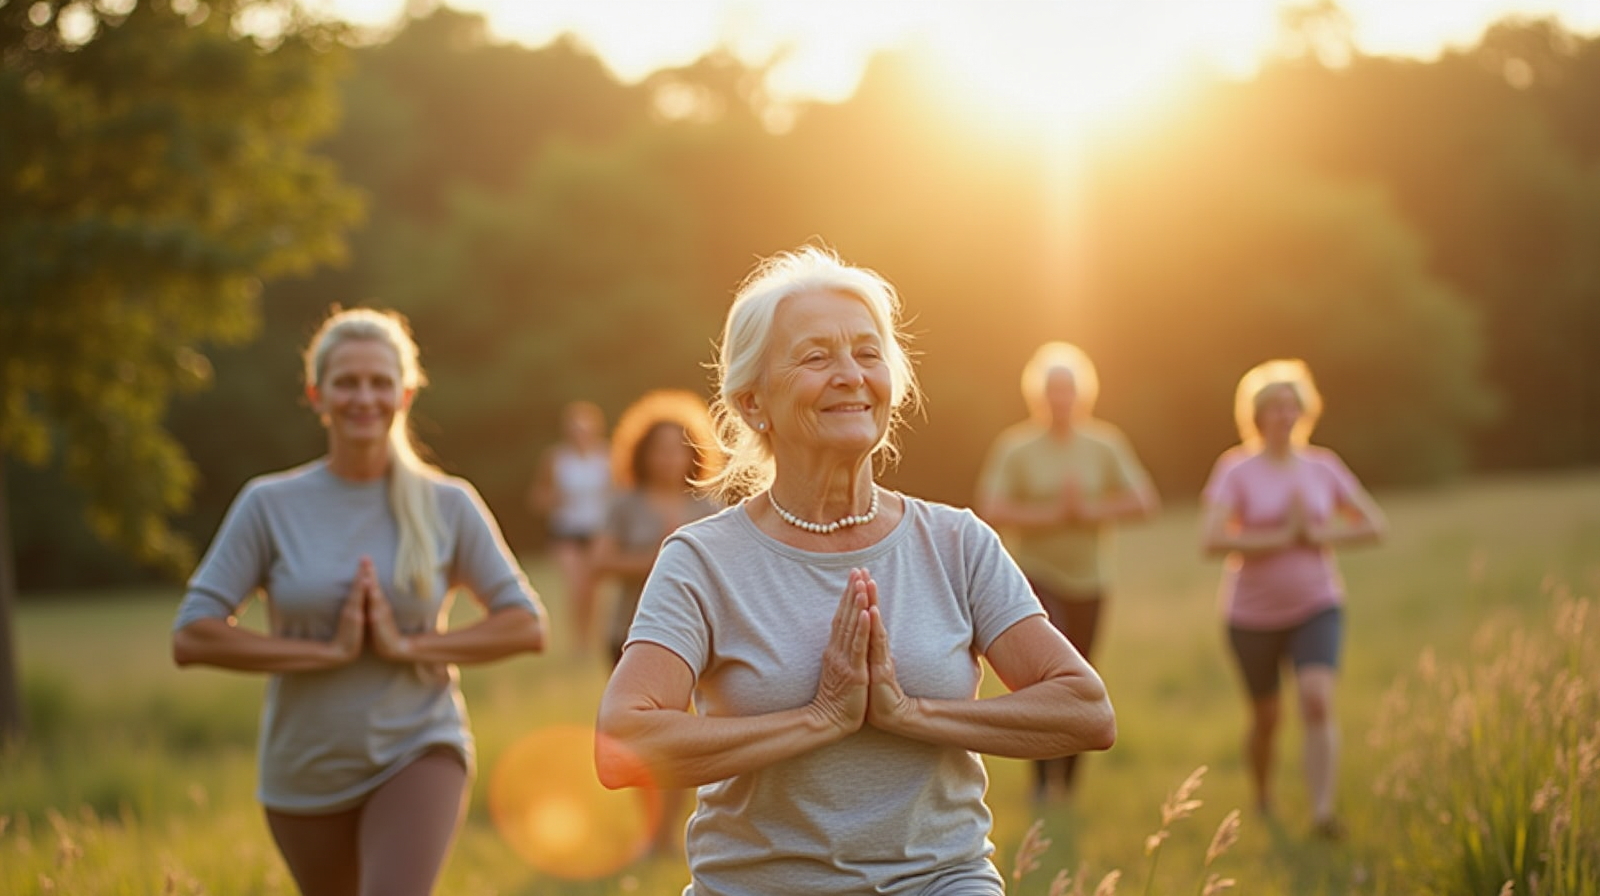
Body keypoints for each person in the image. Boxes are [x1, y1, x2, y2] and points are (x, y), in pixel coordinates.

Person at [595, 247, 1115, 895]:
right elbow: (622, 742)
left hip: (941, 881)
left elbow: (1086, 711)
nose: (850, 374)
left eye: (868, 354)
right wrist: (818, 719)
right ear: (754, 403)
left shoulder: (957, 542)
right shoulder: (702, 560)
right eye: (816, 357)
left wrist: (909, 714)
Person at [171, 307, 547, 896]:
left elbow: (525, 625)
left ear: (405, 393)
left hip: (419, 745)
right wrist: (324, 654)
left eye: (379, 381)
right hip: (304, 769)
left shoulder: (448, 503)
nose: (363, 396)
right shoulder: (269, 505)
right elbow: (192, 634)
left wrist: (409, 646)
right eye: (347, 381)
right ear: (318, 394)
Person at [1199, 358, 1386, 840]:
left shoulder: (1323, 466)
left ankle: (1323, 813)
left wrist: (1317, 532)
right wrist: (1285, 534)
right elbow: (1211, 540)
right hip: (1251, 616)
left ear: (1305, 413)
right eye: (1274, 407)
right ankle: (1262, 796)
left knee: (1316, 699)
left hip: (1317, 605)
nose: (1284, 415)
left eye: (1292, 406)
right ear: (1257, 416)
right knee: (1266, 718)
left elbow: (1372, 525)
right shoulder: (1235, 468)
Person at [975, 341, 1158, 803]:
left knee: (1082, 678)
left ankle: (1069, 785)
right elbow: (989, 507)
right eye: (1053, 390)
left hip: (1091, 579)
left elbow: (1144, 501)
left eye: (1069, 390)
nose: (1061, 399)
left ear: (1083, 394)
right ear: (1039, 394)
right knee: (1042, 680)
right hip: (1035, 577)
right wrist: (1055, 514)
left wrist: (1089, 509)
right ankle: (1040, 783)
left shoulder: (1105, 443)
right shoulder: (1016, 447)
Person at [592, 389, 724, 664]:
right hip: (631, 628)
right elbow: (601, 561)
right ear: (642, 454)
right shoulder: (626, 504)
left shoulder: (706, 506)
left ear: (693, 454)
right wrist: (660, 562)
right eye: (660, 451)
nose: (669, 459)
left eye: (678, 450)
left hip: (695, 631)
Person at [529, 400, 611, 654]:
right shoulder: (556, 459)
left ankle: (591, 640)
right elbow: (537, 497)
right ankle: (578, 642)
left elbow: (617, 494)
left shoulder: (606, 457)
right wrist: (553, 499)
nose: (581, 434)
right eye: (576, 428)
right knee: (577, 586)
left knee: (592, 591)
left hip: (597, 531)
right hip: (566, 531)